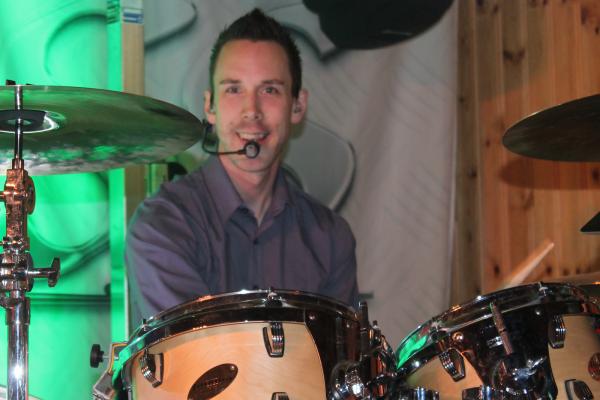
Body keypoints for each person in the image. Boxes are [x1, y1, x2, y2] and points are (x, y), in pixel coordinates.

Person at [126, 8, 358, 324]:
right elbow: (194, 350)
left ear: (297, 105)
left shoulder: (330, 237)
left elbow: (340, 354)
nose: (252, 110)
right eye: (234, 89)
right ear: (210, 106)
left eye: (270, 89)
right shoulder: (162, 225)